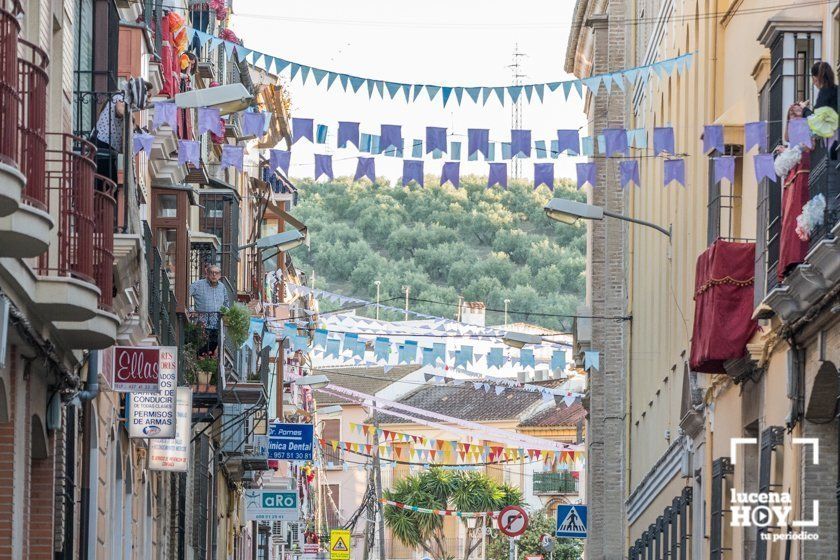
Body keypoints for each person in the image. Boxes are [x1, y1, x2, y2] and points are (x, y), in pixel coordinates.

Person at [189, 265, 230, 355]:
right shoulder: (198, 285)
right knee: (200, 348)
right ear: (207, 273)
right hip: (202, 325)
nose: (214, 275)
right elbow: (184, 296)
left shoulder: (222, 287)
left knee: (211, 349)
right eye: (212, 272)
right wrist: (190, 310)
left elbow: (226, 302)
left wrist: (225, 312)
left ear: (220, 275)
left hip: (217, 325)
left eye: (217, 273)